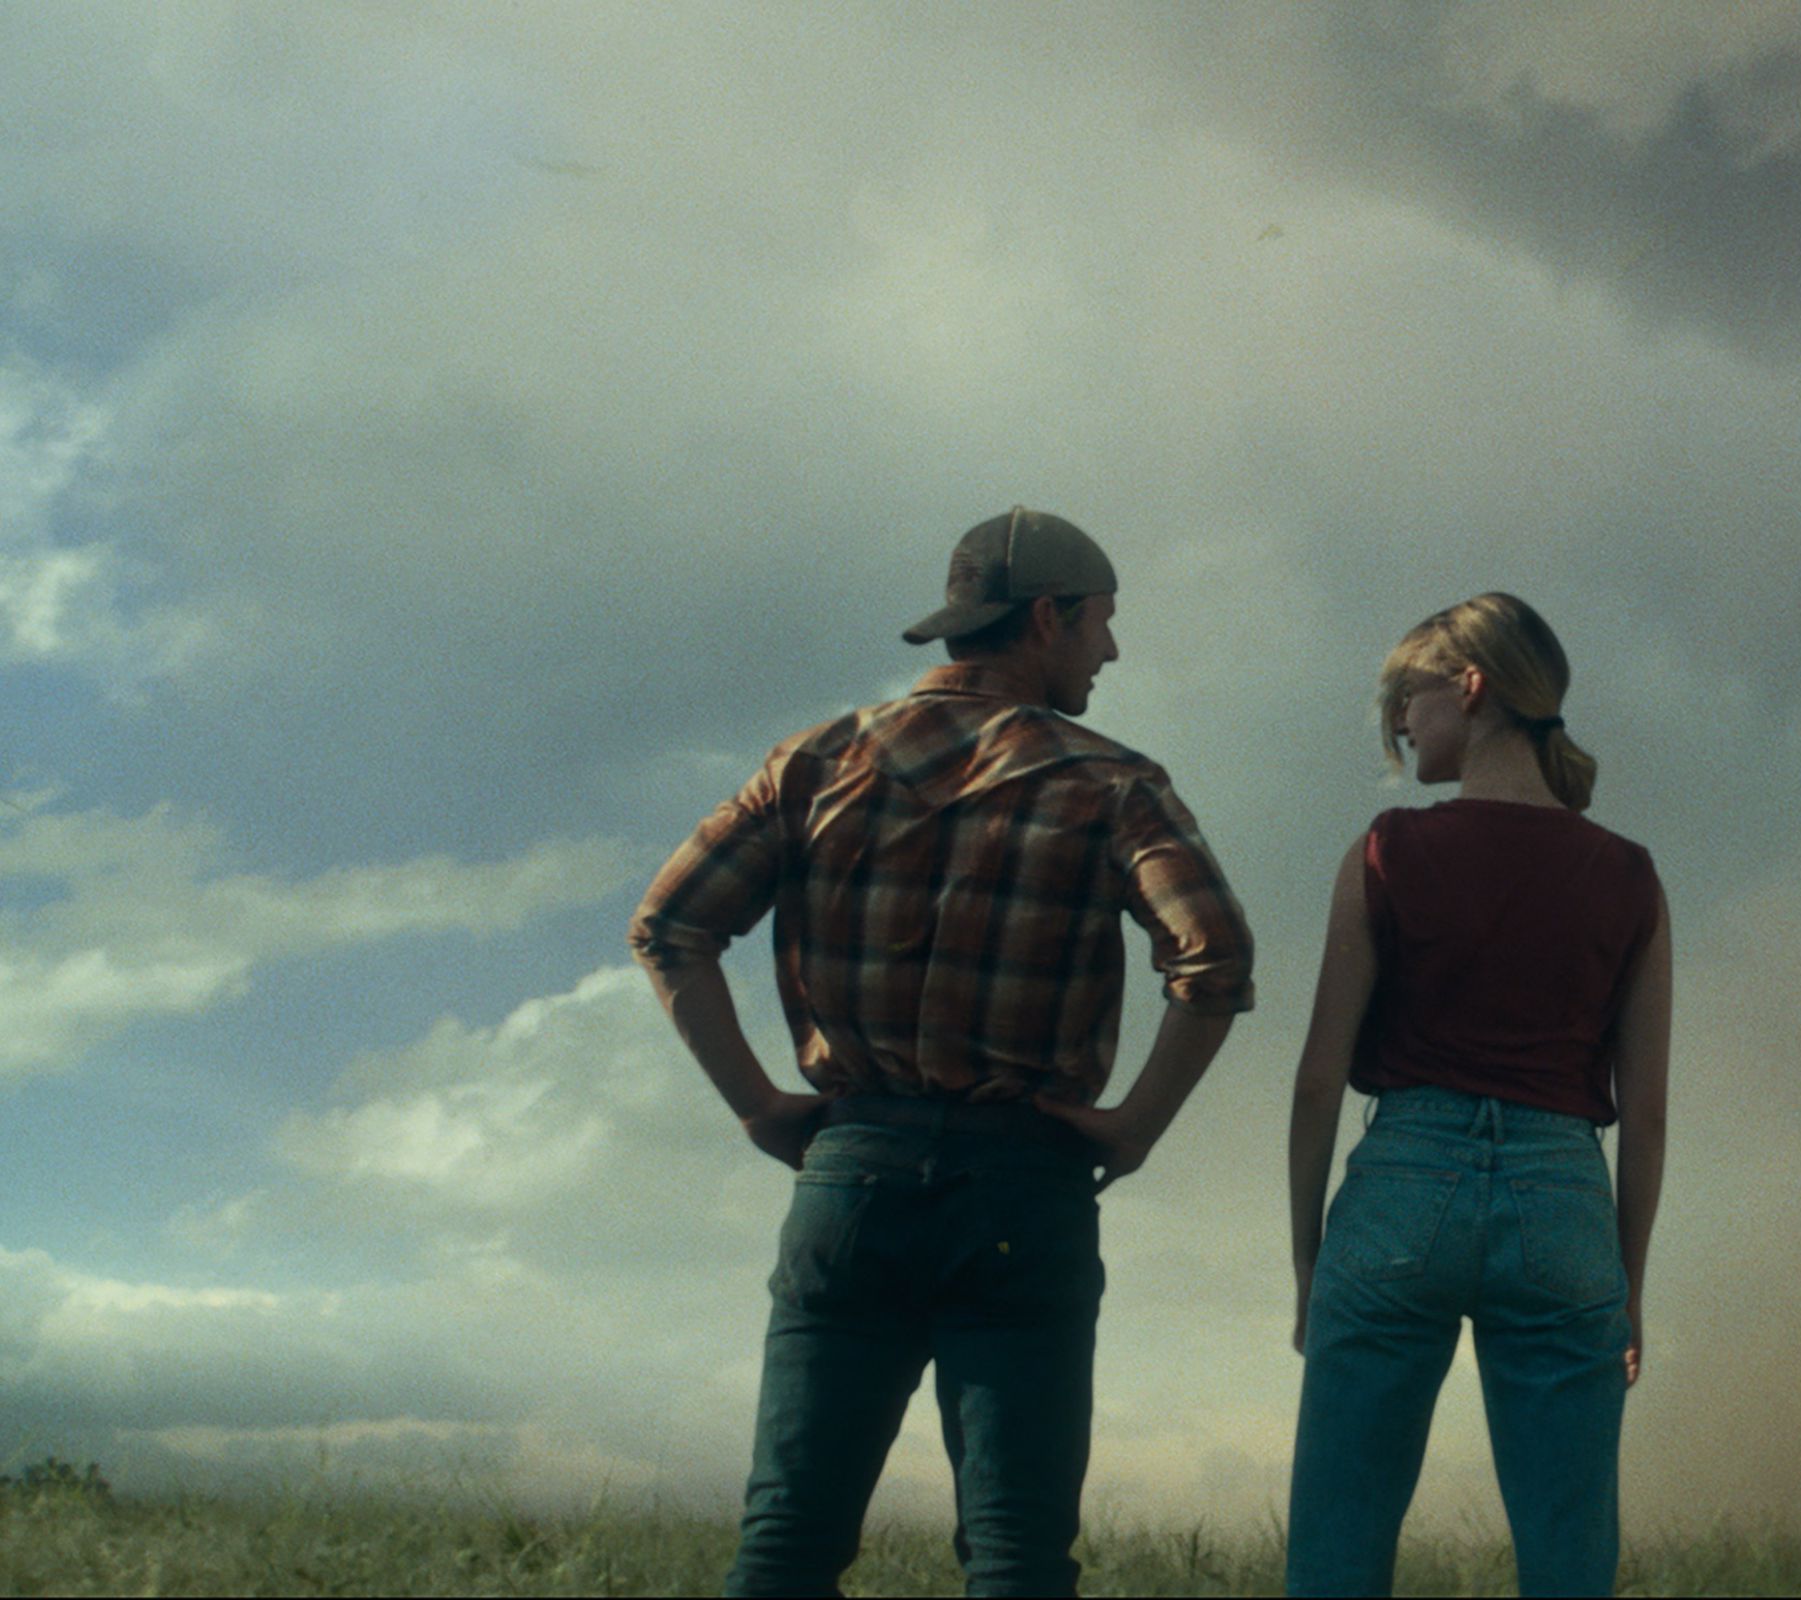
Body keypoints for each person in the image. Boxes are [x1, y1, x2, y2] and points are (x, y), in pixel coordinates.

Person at [629, 507, 1253, 1598]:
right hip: (1024, 1186)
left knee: (786, 1542)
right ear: (1047, 617)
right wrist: (1137, 1124)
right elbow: (1215, 954)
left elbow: (670, 925)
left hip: (850, 1172)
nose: (1111, 649)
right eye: (1103, 622)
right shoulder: (1113, 782)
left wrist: (759, 1106)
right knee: (1016, 1555)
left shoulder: (814, 759)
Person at [1284, 592, 1671, 1598]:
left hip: (1401, 1191)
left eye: (1407, 696)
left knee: (1337, 1548)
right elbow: (1650, 1109)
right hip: (1563, 1200)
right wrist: (1627, 1283)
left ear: (1471, 684)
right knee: (1569, 1559)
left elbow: (1320, 1076)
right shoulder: (1631, 875)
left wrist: (1306, 1262)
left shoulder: (1387, 850)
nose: (1400, 723)